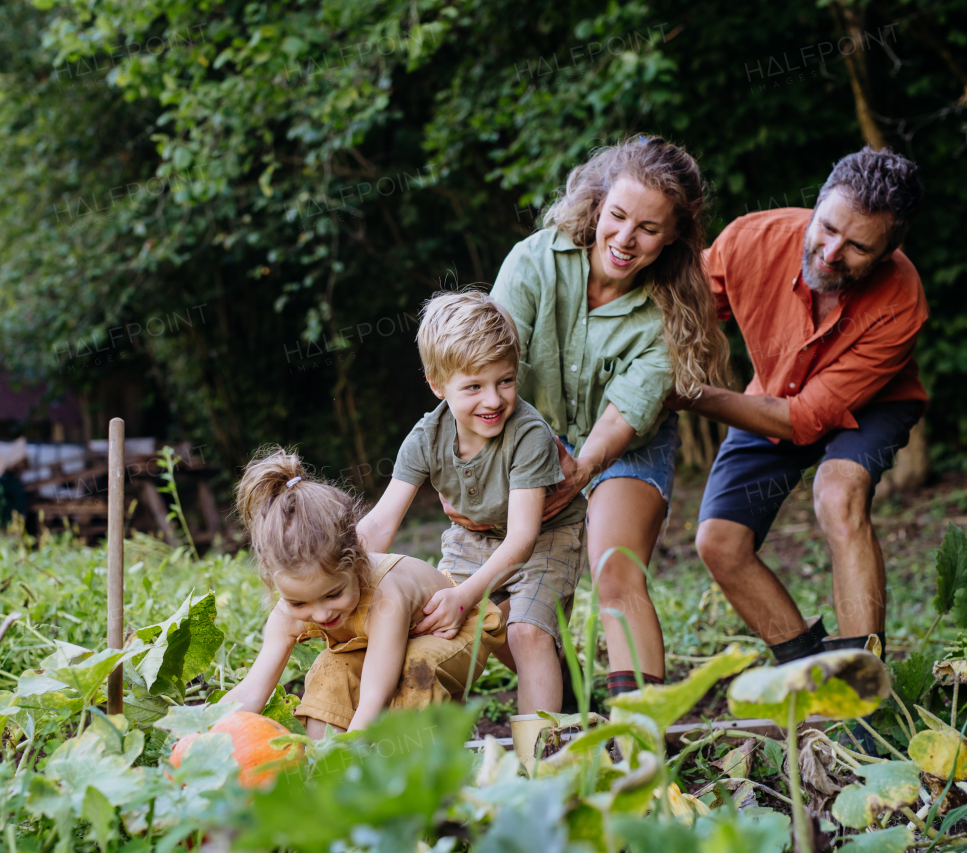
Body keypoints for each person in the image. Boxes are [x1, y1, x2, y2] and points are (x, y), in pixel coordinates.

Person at [474, 136, 730, 695]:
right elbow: (487, 363)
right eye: (617, 216)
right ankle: (562, 694)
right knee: (490, 594)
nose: (625, 238)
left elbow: (622, 417)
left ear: (673, 237)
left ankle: (639, 729)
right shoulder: (534, 260)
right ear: (598, 204)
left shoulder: (673, 310)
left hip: (625, 444)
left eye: (649, 229)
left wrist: (582, 465)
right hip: (525, 438)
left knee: (614, 568)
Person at [672, 146, 928, 664]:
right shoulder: (751, 241)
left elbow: (807, 421)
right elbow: (679, 310)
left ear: (887, 252)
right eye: (827, 228)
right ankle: (809, 668)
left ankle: (862, 683)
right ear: (817, 204)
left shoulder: (902, 299)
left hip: (873, 403)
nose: (832, 252)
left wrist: (691, 395)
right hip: (773, 393)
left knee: (837, 494)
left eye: (857, 246)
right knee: (718, 542)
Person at [356, 290, 587, 715]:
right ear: (438, 385)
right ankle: (560, 688)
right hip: (473, 533)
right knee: (445, 626)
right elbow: (380, 523)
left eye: (505, 381)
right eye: (474, 387)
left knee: (524, 632)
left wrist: (464, 595)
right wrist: (336, 569)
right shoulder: (426, 437)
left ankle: (541, 760)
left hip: (545, 533)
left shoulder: (528, 434)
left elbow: (521, 538)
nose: (494, 400)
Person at [221, 448, 506, 737]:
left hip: (450, 627)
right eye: (298, 602)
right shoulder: (287, 614)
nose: (320, 613)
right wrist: (207, 734)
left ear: (357, 564)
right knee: (330, 668)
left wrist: (352, 750)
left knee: (416, 668)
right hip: (384, 643)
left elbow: (374, 696)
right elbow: (254, 690)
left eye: (333, 595)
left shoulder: (385, 600)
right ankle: (323, 764)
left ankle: (419, 767)